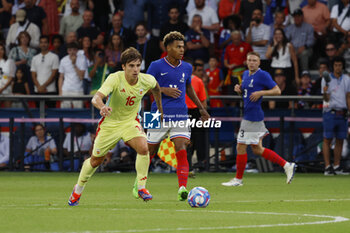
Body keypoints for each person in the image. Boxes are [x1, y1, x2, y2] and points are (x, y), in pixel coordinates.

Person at [68, 47, 163, 206]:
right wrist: (102, 107)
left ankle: (141, 187)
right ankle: (78, 189)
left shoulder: (147, 79)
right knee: (95, 161)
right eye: (131, 66)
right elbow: (96, 98)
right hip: (110, 124)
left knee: (143, 148)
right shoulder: (114, 78)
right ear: (123, 67)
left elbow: (156, 89)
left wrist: (160, 109)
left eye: (138, 65)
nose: (135, 69)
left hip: (130, 122)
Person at [145, 31, 210, 201]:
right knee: (148, 151)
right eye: (178, 47)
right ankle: (140, 184)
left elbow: (188, 88)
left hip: (180, 114)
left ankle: (182, 187)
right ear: (168, 48)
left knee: (181, 148)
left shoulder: (187, 67)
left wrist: (201, 108)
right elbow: (145, 87)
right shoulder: (155, 65)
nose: (182, 50)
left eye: (183, 46)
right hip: (156, 113)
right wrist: (164, 90)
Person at [221, 51, 296, 187]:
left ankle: (238, 179)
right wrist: (239, 90)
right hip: (250, 115)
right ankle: (287, 165)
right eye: (249, 60)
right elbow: (246, 94)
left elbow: (277, 91)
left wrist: (262, 92)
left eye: (254, 60)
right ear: (246, 61)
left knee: (240, 146)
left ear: (259, 62)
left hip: (252, 117)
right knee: (257, 149)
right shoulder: (245, 74)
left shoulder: (263, 75)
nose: (252, 63)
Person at [322, 56, 350, 176]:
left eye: (340, 65)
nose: (338, 67)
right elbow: (325, 99)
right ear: (332, 67)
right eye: (336, 65)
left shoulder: (347, 79)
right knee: (327, 139)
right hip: (330, 111)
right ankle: (328, 167)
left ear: (342, 66)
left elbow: (348, 96)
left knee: (340, 139)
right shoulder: (326, 78)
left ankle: (337, 166)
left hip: (342, 112)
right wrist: (325, 91)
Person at [185, 61, 207, 173]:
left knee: (199, 138)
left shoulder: (198, 81)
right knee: (184, 139)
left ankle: (201, 163)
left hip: (195, 112)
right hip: (182, 112)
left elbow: (203, 100)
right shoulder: (177, 79)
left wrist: (203, 115)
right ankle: (186, 165)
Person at [31, 35, 59, 108]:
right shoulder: (35, 58)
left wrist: (43, 86)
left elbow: (54, 75)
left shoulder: (54, 57)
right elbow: (33, 75)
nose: (43, 44)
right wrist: (39, 87)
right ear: (39, 44)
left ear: (49, 44)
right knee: (38, 114)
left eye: (45, 42)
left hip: (50, 90)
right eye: (41, 42)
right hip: (38, 90)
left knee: (52, 115)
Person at [58, 42, 86, 109]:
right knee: (65, 114)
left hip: (78, 90)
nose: (72, 52)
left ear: (77, 50)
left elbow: (81, 77)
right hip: (65, 89)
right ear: (67, 51)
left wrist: (74, 64)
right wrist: (60, 92)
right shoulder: (63, 60)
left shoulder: (82, 59)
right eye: (70, 50)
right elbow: (61, 77)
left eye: (74, 50)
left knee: (79, 114)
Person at [0, 43, 16, 108]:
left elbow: (11, 77)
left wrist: (2, 88)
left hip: (6, 89)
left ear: (4, 51)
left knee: (8, 112)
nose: (0, 51)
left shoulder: (9, 62)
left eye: (1, 49)